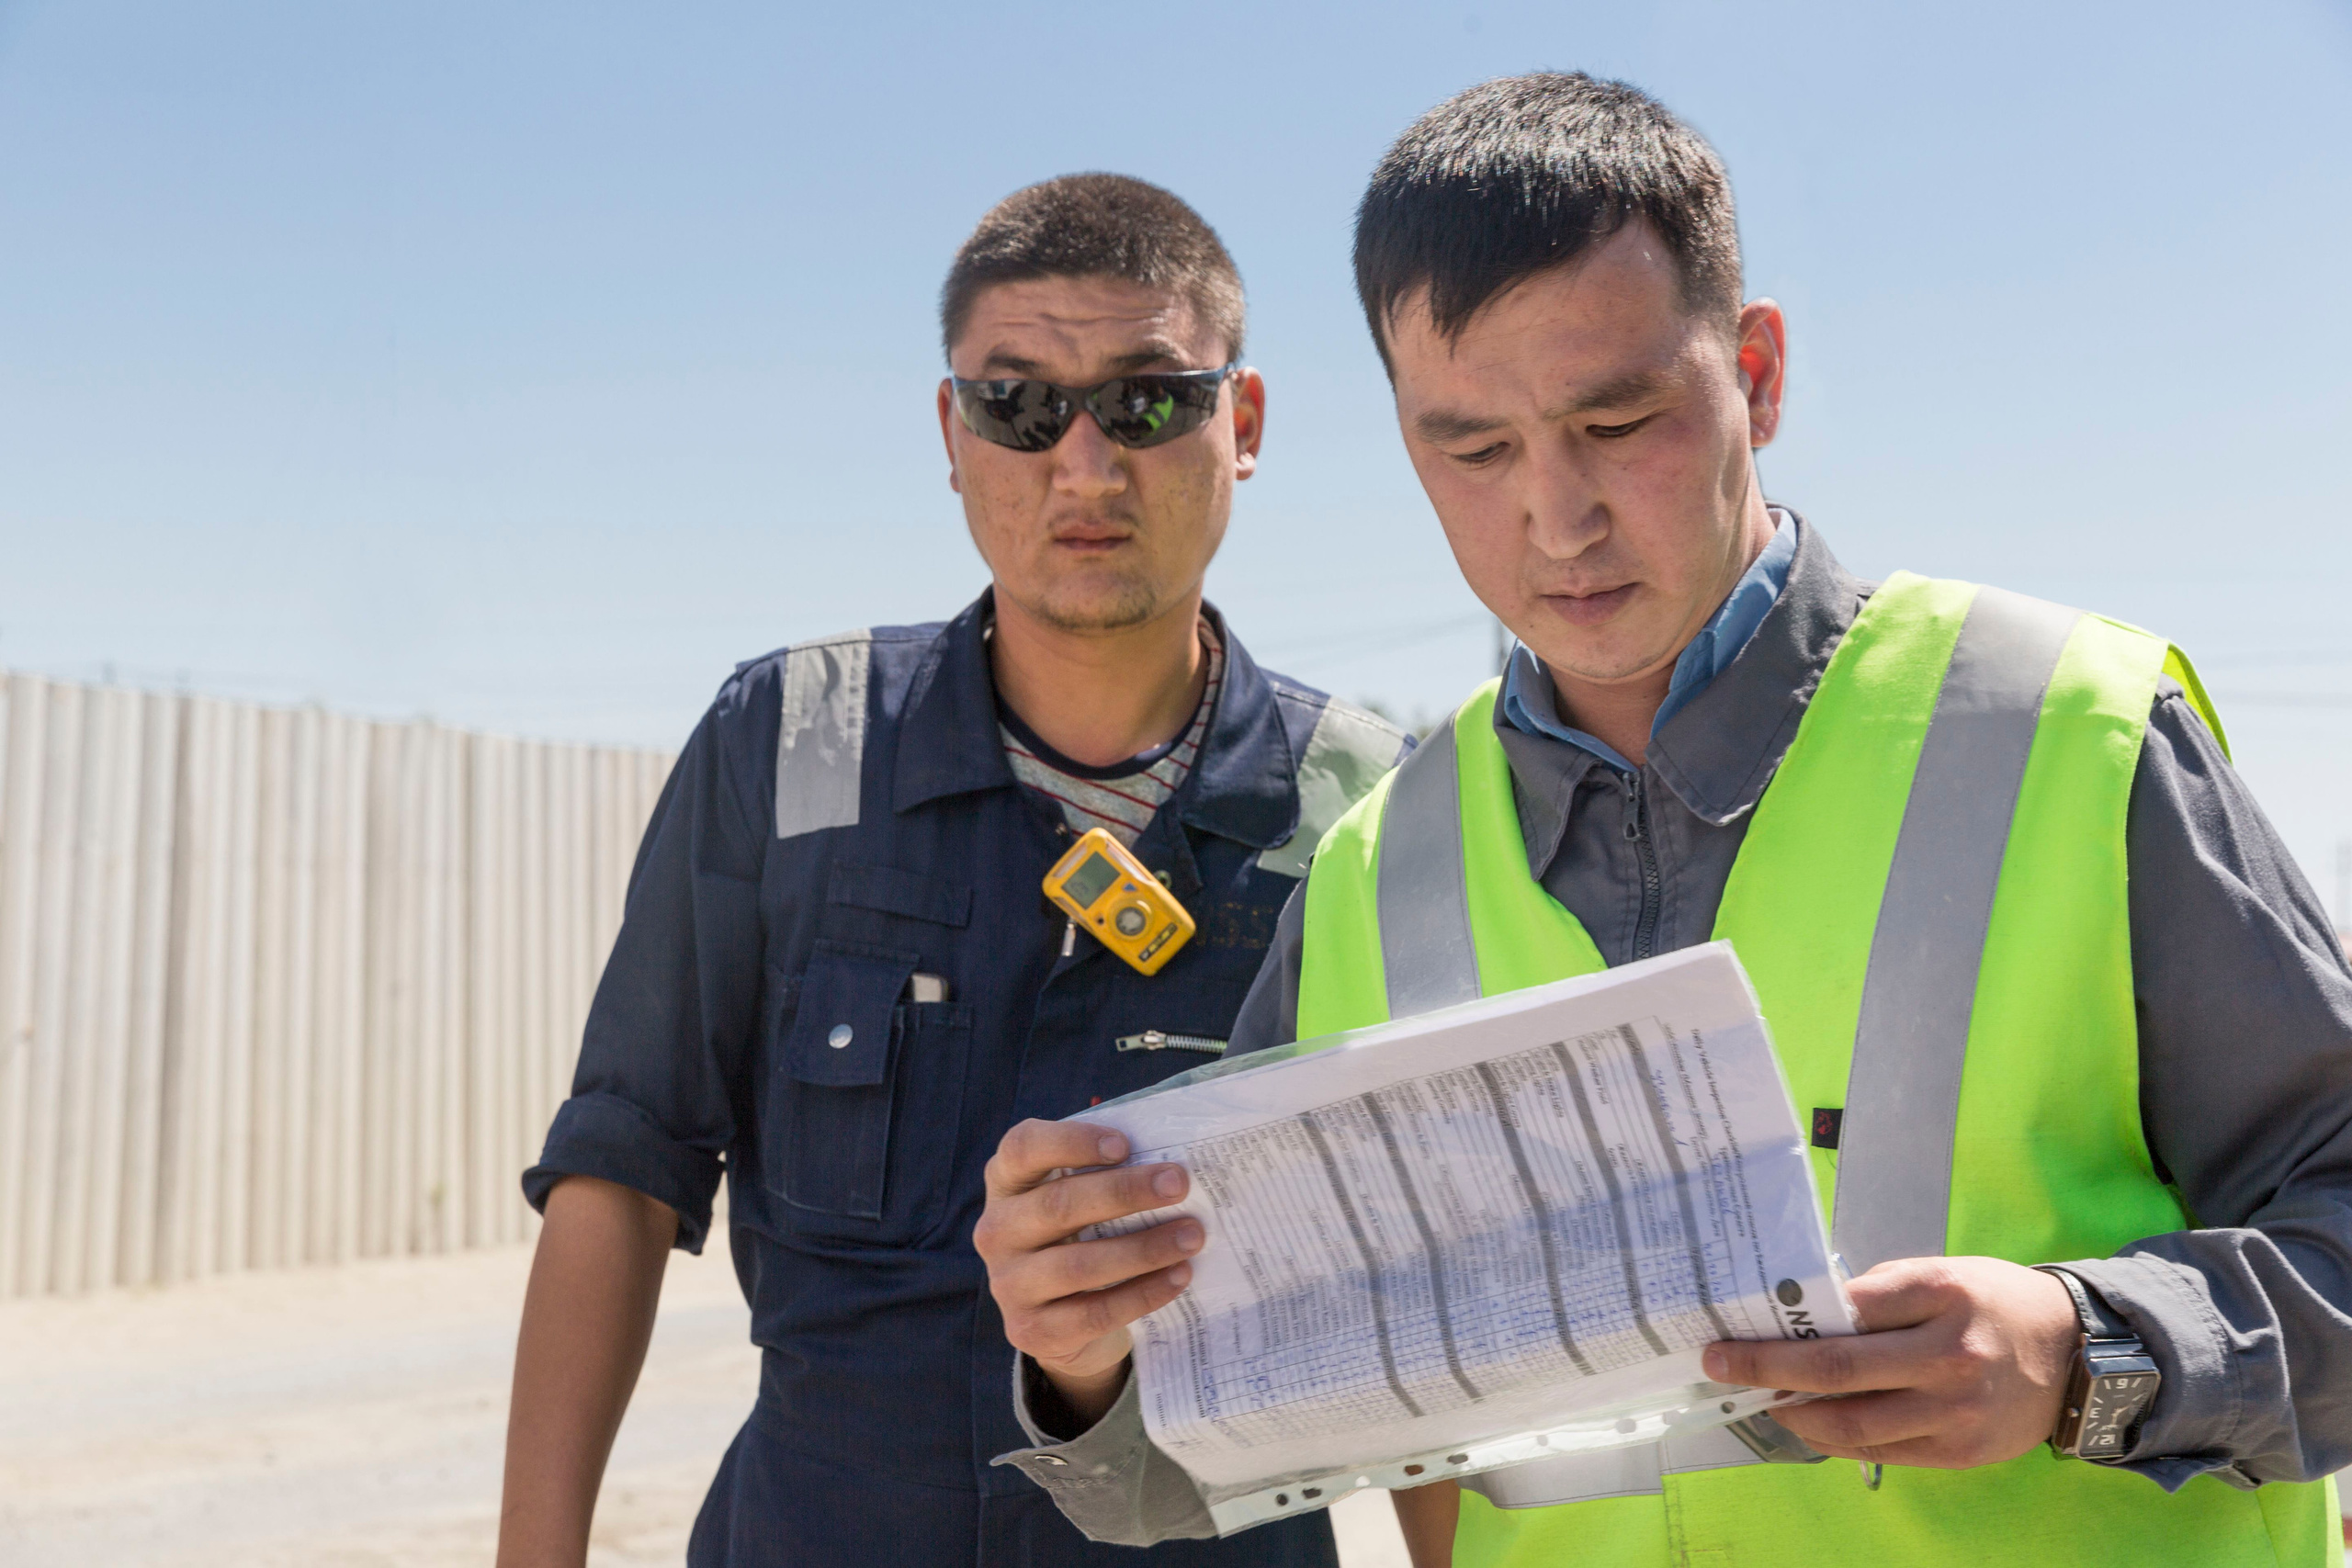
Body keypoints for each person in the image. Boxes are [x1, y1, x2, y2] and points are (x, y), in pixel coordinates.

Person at [975, 75, 2352, 1568]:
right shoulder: (1372, 872)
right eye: (1474, 450)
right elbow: (1211, 1461)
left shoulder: (2065, 730)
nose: (1556, 518)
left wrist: (2091, 1350)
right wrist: (1088, 1356)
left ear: (1755, 373)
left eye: (1617, 421)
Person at [495, 173, 1409, 1568]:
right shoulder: (787, 745)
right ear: (951, 433)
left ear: (1244, 425)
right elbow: (623, 1168)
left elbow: (1436, 1276)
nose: (1084, 468)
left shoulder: (1365, 805)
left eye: (1149, 402)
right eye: (1020, 405)